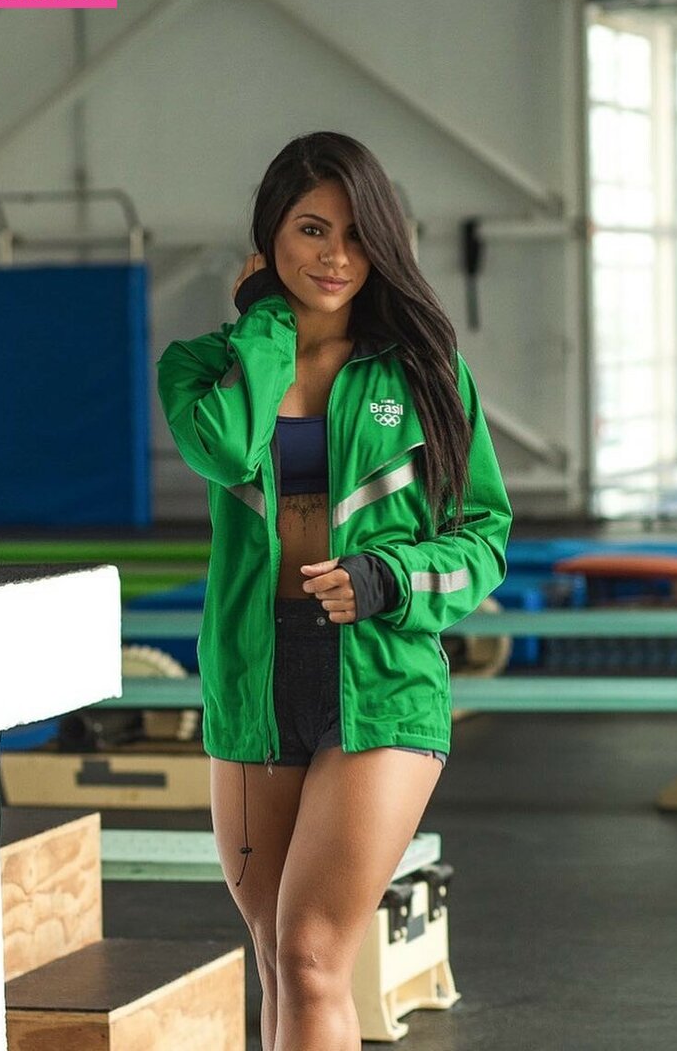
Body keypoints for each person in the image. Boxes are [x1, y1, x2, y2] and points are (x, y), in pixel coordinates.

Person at [156, 131, 512, 1051]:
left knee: (314, 956)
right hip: (254, 677)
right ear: (270, 234)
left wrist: (390, 578)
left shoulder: (424, 373)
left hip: (381, 677)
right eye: (313, 229)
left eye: (358, 234)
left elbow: (484, 538)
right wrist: (265, 325)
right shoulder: (201, 368)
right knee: (280, 963)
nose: (337, 257)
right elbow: (226, 448)